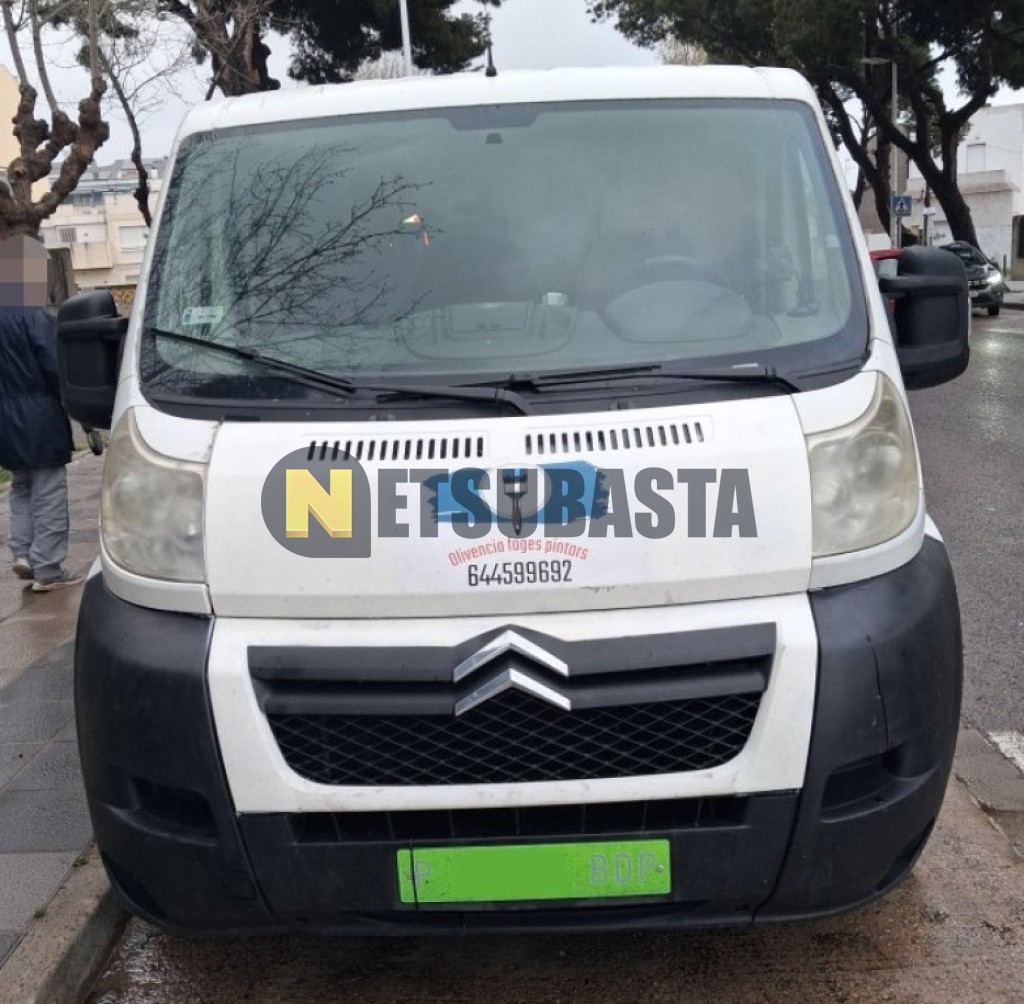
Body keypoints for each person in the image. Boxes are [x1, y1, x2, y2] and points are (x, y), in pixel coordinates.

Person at [0, 235, 82, 591]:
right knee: (49, 490)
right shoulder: (36, 316)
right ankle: (48, 566)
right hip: (39, 413)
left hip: (5, 417)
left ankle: (22, 552)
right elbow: (55, 367)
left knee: (21, 486)